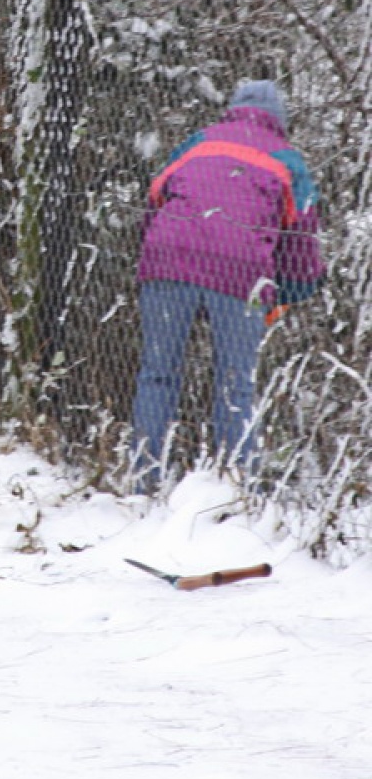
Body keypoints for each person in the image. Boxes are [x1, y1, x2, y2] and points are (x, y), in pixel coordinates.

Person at [131, 79, 325, 490]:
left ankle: (144, 482)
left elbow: (156, 198)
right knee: (236, 383)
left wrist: (156, 258)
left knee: (158, 374)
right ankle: (235, 488)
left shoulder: (199, 142)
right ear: (280, 119)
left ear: (232, 108)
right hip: (240, 273)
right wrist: (289, 293)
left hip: (168, 260)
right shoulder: (287, 160)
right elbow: (300, 240)